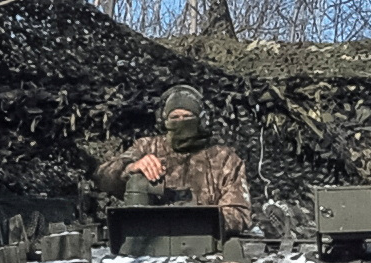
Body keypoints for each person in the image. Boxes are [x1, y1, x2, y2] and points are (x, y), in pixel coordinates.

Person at [94, 84, 252, 235]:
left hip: (206, 246)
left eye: (188, 116)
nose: (181, 121)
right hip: (149, 244)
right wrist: (130, 168)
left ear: (202, 121)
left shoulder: (224, 159)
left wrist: (197, 221)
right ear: (163, 122)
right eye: (175, 117)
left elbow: (239, 212)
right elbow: (103, 176)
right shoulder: (146, 147)